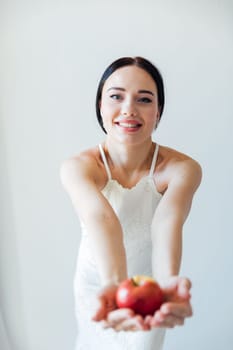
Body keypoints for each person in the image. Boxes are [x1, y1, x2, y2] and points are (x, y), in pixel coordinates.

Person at [60, 56, 202, 350]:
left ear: (158, 111)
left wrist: (167, 281)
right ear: (100, 105)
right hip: (97, 284)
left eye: (144, 99)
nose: (129, 109)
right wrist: (114, 284)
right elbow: (102, 220)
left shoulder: (182, 169)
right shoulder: (79, 167)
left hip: (151, 287)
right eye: (116, 97)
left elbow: (167, 223)